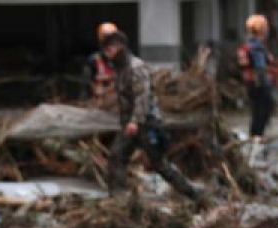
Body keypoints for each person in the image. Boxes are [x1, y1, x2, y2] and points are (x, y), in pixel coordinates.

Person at [100, 30, 202, 201]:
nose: (107, 54)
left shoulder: (136, 67)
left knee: (159, 164)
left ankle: (193, 194)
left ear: (119, 47)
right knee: (117, 156)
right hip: (129, 124)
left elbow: (143, 97)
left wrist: (135, 121)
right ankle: (118, 198)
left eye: (109, 49)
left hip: (145, 123)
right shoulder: (120, 69)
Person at [238, 14, 275, 141]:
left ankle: (254, 136)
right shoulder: (257, 46)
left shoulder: (247, 44)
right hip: (259, 83)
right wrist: (266, 83)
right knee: (263, 110)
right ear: (262, 29)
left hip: (249, 82)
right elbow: (260, 67)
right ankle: (258, 136)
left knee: (255, 111)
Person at [85, 22, 119, 107]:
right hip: (100, 101)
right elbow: (87, 81)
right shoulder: (93, 60)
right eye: (105, 37)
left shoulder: (123, 60)